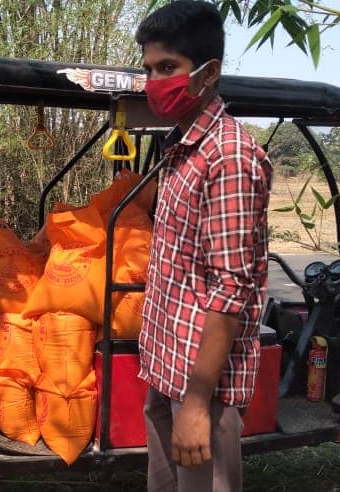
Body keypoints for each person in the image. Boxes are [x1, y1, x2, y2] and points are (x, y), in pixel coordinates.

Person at [134, 2, 273, 491]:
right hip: (167, 365)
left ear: (208, 72)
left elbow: (230, 287)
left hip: (200, 383)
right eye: (149, 69)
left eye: (167, 68)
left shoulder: (229, 156)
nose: (154, 81)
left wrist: (196, 404)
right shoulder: (182, 148)